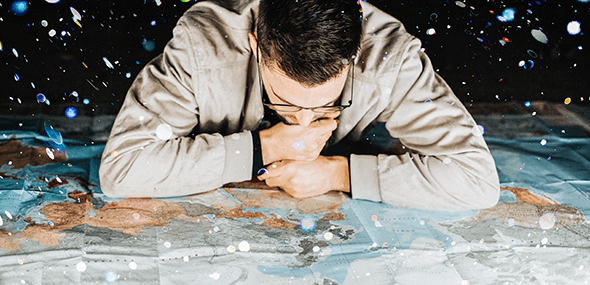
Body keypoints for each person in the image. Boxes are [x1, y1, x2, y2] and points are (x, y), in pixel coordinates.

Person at [99, 0, 500, 211]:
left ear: (356, 53)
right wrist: (265, 147)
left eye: (327, 105)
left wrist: (337, 173)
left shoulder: (390, 57)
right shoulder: (200, 48)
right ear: (255, 44)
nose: (306, 124)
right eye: (286, 103)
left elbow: (476, 181)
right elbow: (122, 169)